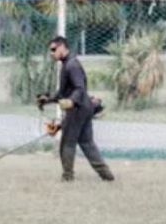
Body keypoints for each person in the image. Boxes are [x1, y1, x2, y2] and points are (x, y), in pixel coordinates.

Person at [37, 36, 114, 182]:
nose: (52, 53)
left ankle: (67, 177)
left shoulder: (71, 65)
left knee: (67, 143)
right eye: (50, 51)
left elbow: (79, 88)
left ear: (62, 47)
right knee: (86, 143)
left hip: (78, 108)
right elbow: (62, 93)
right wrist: (47, 99)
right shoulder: (67, 64)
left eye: (54, 49)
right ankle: (107, 175)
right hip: (85, 108)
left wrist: (72, 101)